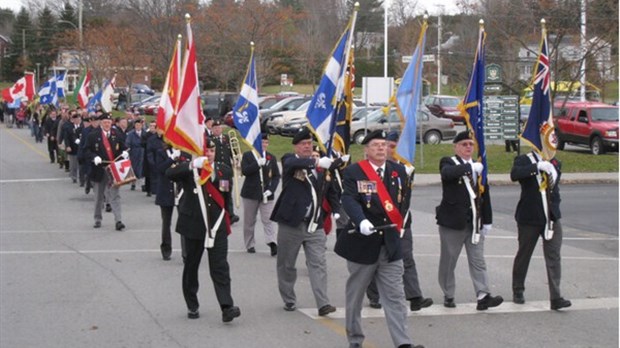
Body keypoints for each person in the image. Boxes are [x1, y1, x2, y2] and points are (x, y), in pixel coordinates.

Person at [334, 130, 422, 348]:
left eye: (384, 144)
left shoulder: (398, 170)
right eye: (376, 145)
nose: (382, 148)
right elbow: (349, 198)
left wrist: (402, 226)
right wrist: (360, 220)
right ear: (366, 150)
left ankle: (403, 343)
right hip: (362, 244)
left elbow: (403, 201)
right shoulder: (355, 171)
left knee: (395, 297)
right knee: (355, 298)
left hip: (390, 244)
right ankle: (355, 339)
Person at [165, 139, 241, 323]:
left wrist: (229, 216)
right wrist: (191, 164)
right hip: (194, 225)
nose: (209, 154)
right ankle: (192, 303)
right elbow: (170, 173)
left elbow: (225, 194)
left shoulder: (223, 170)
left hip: (216, 226)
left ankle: (226, 307)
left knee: (220, 266)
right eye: (205, 150)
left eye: (212, 150)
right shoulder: (190, 169)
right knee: (191, 266)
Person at [270, 127, 339, 317]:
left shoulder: (320, 169)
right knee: (287, 264)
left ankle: (323, 303)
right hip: (291, 223)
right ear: (296, 147)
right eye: (303, 144)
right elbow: (292, 163)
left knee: (318, 264)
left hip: (314, 224)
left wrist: (337, 211)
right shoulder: (290, 160)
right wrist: (316, 161)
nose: (307, 147)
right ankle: (289, 299)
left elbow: (331, 191)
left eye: (310, 144)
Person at [365, 131, 433, 312]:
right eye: (386, 146)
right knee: (373, 260)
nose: (389, 150)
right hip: (377, 224)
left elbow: (405, 198)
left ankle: (414, 296)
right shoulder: (366, 170)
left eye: (394, 147)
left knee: (406, 258)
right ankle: (374, 296)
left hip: (401, 223)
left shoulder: (403, 170)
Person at [436, 130, 503, 310]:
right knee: (449, 261)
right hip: (453, 223)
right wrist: (469, 168)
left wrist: (487, 220)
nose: (468, 147)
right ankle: (448, 294)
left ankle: (483, 295)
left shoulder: (479, 167)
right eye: (464, 144)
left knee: (478, 260)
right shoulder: (449, 162)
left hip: (474, 222)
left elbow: (485, 195)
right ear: (456, 147)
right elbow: (447, 174)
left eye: (470, 144)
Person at [510, 150, 571, 310]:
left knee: (554, 256)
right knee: (524, 254)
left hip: (551, 217)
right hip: (530, 217)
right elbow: (515, 174)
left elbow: (554, 188)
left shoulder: (554, 161)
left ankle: (555, 297)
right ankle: (518, 289)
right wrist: (536, 166)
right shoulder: (523, 160)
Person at [83, 113, 129, 231]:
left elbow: (123, 148)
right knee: (99, 196)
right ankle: (97, 218)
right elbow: (86, 151)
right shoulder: (93, 136)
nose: (107, 124)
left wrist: (124, 153)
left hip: (113, 170)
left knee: (115, 195)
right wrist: (94, 157)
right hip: (99, 169)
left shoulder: (116, 135)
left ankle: (118, 220)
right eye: (104, 122)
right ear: (101, 123)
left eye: (109, 122)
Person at [240, 133, 281, 255]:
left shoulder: (271, 158)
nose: (264, 145)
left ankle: (272, 242)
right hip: (250, 193)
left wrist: (271, 189)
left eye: (266, 142)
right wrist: (257, 164)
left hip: (266, 194)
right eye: (262, 142)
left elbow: (276, 176)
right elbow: (245, 171)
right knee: (249, 221)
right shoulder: (248, 156)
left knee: (268, 219)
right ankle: (250, 244)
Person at [210, 119, 239, 223]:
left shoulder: (227, 139)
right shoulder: (210, 140)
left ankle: (229, 214)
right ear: (212, 130)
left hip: (226, 171)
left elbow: (233, 152)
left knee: (226, 193)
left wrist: (236, 159)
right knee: (219, 192)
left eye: (218, 128)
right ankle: (222, 214)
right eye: (215, 128)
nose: (217, 129)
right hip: (218, 172)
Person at [126, 119, 146, 191]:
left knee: (142, 169)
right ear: (134, 126)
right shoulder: (131, 134)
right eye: (136, 125)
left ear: (141, 125)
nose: (138, 126)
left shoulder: (145, 133)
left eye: (139, 125)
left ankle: (142, 184)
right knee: (133, 168)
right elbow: (128, 143)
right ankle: (133, 183)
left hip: (142, 152)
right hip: (134, 152)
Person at [63, 112, 82, 184]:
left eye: (79, 119)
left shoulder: (83, 127)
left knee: (81, 164)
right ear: (73, 120)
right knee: (73, 164)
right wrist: (67, 146)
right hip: (72, 148)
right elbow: (66, 138)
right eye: (76, 119)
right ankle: (74, 176)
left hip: (81, 149)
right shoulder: (69, 127)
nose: (77, 120)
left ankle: (81, 178)